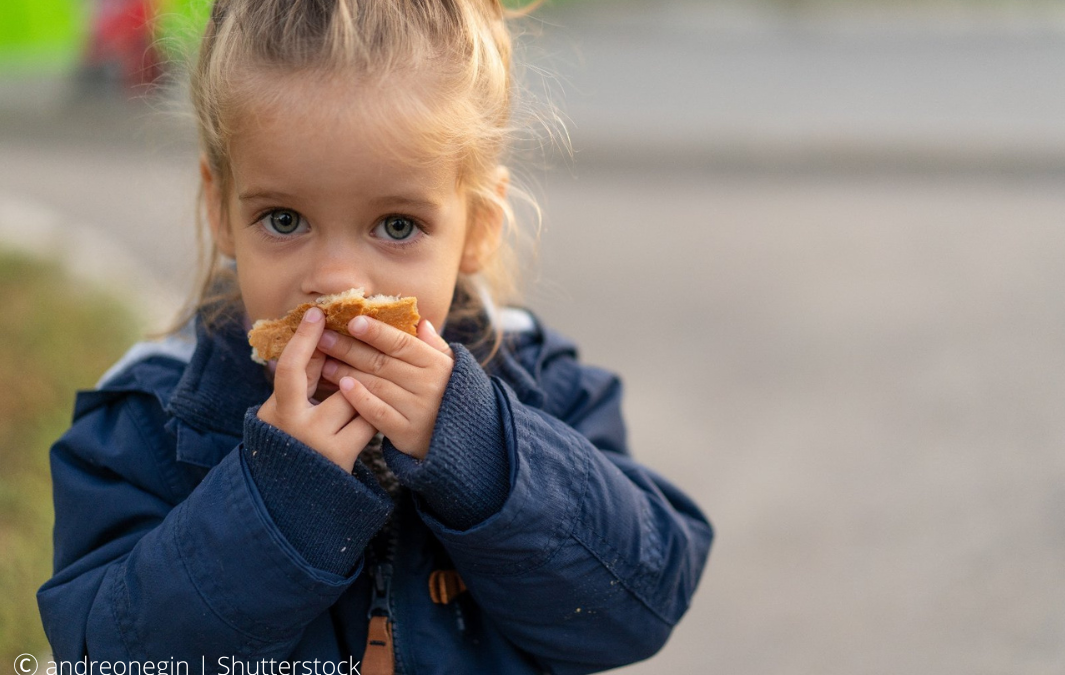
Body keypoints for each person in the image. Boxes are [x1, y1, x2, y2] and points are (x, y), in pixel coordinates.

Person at [37, 1, 712, 672]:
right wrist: (279, 503)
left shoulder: (537, 383)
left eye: (396, 225)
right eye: (282, 218)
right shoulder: (151, 420)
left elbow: (642, 605)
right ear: (219, 208)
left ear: (476, 226)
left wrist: (481, 450)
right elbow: (109, 655)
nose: (335, 281)